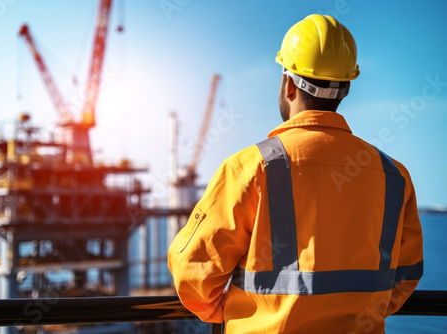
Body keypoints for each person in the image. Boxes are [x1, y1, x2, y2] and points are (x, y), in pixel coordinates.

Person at [168, 14, 423, 333]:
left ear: (288, 84)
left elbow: (193, 274)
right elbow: (406, 275)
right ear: (345, 89)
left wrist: (229, 311)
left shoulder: (251, 167)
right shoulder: (393, 175)